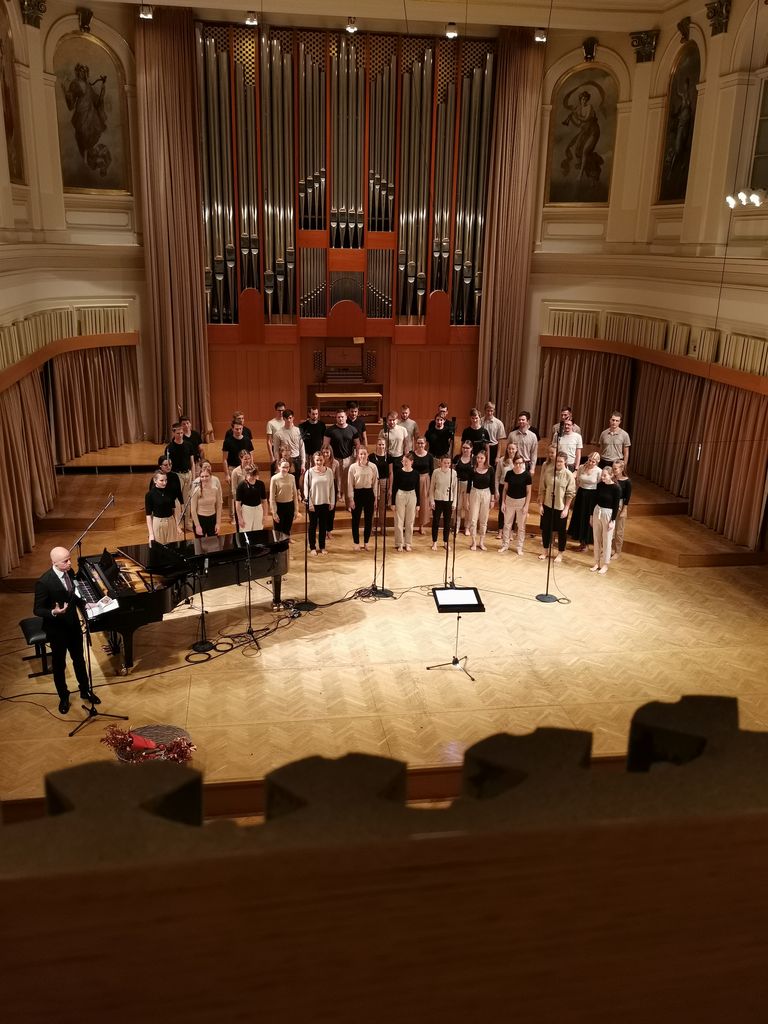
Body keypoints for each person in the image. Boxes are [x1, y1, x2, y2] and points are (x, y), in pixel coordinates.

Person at [33, 546, 98, 714]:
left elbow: (73, 595)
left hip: (73, 625)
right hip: (57, 630)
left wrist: (85, 604)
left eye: (69, 559)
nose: (70, 563)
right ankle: (63, 696)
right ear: (54, 563)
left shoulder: (70, 572)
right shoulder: (44, 582)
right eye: (65, 561)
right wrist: (53, 612)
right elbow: (37, 609)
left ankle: (85, 690)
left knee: (79, 660)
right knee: (59, 665)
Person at [538, 452, 576, 563]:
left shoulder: (569, 475)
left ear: (565, 462)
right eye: (557, 461)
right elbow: (542, 489)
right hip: (547, 505)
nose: (558, 463)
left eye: (560, 461)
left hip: (561, 507)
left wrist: (566, 508)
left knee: (561, 532)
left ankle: (560, 553)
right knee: (546, 529)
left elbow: (570, 494)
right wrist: (540, 505)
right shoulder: (548, 472)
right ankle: (545, 551)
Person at [567, 450, 601, 551]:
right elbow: (578, 481)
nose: (591, 463)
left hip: (591, 496)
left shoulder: (599, 471)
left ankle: (586, 543)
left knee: (587, 519)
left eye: (593, 462)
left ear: (597, 462)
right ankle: (581, 542)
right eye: (590, 460)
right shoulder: (581, 467)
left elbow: (599, 486)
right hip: (581, 494)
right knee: (579, 517)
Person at [590, 467, 621, 575]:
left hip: (608, 514)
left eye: (605, 475)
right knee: (596, 538)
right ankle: (596, 562)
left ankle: (605, 564)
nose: (602, 477)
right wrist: (591, 516)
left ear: (611, 475)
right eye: (602, 475)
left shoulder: (616, 488)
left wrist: (612, 520)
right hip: (597, 511)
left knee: (607, 540)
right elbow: (594, 500)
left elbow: (616, 506)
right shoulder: (600, 485)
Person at [303, 450, 335, 555]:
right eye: (317, 460)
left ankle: (322, 547)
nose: (319, 462)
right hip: (313, 504)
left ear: (324, 460)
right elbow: (306, 489)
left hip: (325, 503)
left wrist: (332, 502)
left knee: (323, 526)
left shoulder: (329, 471)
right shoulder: (309, 472)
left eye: (321, 460)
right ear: (314, 460)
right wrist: (310, 503)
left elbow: (332, 488)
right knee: (312, 526)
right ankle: (312, 547)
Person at [499, 454, 531, 555]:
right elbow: (505, 489)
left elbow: (528, 492)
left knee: (521, 527)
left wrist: (526, 505)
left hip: (521, 502)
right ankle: (505, 545)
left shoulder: (527, 475)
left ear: (523, 463)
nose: (518, 465)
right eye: (516, 463)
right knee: (507, 525)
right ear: (513, 463)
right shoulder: (509, 473)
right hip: (509, 501)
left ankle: (519, 547)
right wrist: (503, 502)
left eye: (520, 463)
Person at [325, 409, 359, 505]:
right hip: (334, 459)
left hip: (348, 458)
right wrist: (327, 460)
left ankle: (348, 503)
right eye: (338, 417)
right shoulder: (330, 430)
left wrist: (357, 459)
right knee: (334, 481)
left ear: (346, 417)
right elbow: (325, 446)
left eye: (342, 417)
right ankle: (332, 504)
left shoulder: (353, 429)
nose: (340, 419)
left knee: (348, 481)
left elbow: (357, 445)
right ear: (336, 418)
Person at [347, 446, 378, 551]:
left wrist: (375, 498)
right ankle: (356, 543)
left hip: (369, 493)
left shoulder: (373, 466)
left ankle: (366, 542)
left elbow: (375, 483)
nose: (363, 456)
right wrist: (351, 499)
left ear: (367, 454)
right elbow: (350, 484)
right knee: (355, 520)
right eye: (361, 454)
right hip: (357, 494)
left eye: (364, 453)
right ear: (358, 455)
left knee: (368, 520)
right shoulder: (353, 467)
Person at [166, 422, 196, 519]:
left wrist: (193, 478)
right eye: (178, 433)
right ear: (173, 433)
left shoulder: (188, 445)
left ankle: (187, 522)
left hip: (187, 474)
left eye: (182, 433)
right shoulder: (169, 447)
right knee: (177, 501)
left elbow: (192, 462)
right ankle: (178, 523)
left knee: (187, 500)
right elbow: (168, 465)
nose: (180, 435)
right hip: (176, 475)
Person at [467, 449, 495, 550]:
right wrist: (467, 500)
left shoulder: (490, 469)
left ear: (485, 458)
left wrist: (492, 500)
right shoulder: (472, 469)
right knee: (473, 519)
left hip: (486, 494)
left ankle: (481, 542)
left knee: (484, 520)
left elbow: (492, 485)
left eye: (481, 458)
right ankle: (474, 542)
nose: (479, 459)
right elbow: (468, 486)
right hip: (475, 493)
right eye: (478, 458)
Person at [145, 469, 182, 545]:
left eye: (166, 480)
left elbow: (174, 510)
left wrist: (177, 525)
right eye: (161, 480)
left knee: (173, 547)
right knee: (160, 548)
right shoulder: (150, 495)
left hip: (171, 522)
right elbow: (148, 515)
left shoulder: (170, 491)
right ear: (155, 480)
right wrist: (151, 534)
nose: (164, 482)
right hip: (158, 523)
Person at [429, 454, 457, 550]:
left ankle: (446, 542)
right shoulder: (436, 472)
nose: (447, 464)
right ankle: (434, 542)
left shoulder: (453, 473)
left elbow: (455, 489)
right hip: (437, 500)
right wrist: (432, 501)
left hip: (448, 500)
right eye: (445, 462)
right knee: (436, 522)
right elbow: (432, 488)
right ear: (440, 462)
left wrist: (454, 502)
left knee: (447, 523)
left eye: (448, 463)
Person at [391, 451, 418, 551]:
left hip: (412, 496)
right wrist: (393, 503)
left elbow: (417, 489)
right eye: (403, 461)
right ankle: (399, 543)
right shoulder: (398, 472)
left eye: (406, 461)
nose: (404, 463)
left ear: (411, 462)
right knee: (399, 520)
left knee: (410, 521)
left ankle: (408, 543)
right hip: (400, 495)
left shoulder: (416, 473)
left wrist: (418, 504)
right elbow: (394, 487)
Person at [270, 458, 301, 539]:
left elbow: (295, 495)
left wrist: (296, 510)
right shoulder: (274, 478)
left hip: (289, 505)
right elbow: (272, 498)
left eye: (287, 467)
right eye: (283, 467)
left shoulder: (292, 477)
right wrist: (274, 512)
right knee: (278, 530)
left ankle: (286, 543)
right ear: (279, 467)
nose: (285, 469)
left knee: (287, 529)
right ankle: (278, 545)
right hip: (279, 506)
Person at [273, 409, 306, 484]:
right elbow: (276, 450)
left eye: (290, 418)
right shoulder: (278, 433)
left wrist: (303, 464)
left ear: (293, 418)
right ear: (283, 419)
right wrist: (278, 463)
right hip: (285, 461)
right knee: (285, 483)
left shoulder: (298, 431)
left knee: (296, 483)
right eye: (286, 418)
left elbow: (302, 448)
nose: (288, 420)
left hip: (296, 459)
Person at [190, 463, 222, 537]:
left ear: (211, 477)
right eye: (202, 476)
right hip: (200, 519)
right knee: (199, 543)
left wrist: (218, 523)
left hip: (212, 519)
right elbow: (193, 510)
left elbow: (219, 507)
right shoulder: (196, 490)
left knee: (213, 542)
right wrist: (197, 526)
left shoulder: (215, 489)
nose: (204, 478)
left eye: (206, 476)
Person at [410, 436, 434, 534]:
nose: (420, 445)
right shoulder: (411, 455)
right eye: (418, 443)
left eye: (422, 443)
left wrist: (431, 485)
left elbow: (432, 471)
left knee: (423, 503)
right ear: (416, 444)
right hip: (413, 480)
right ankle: (411, 525)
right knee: (412, 503)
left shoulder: (429, 456)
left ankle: (421, 526)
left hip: (425, 481)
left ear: (425, 444)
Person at [494, 441, 518, 539]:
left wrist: (512, 463)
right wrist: (496, 490)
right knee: (502, 509)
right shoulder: (502, 460)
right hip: (502, 486)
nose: (511, 451)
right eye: (509, 448)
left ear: (516, 449)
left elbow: (520, 473)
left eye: (513, 449)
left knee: (513, 510)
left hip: (514, 488)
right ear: (507, 449)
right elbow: (497, 476)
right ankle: (500, 531)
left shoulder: (519, 461)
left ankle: (511, 532)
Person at [236, 466, 268, 532]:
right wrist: (240, 518)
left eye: (255, 475)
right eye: (251, 475)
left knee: (258, 531)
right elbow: (238, 503)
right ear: (246, 474)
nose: (253, 477)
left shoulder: (261, 484)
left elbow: (264, 501)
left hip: (258, 509)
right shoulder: (241, 485)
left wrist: (265, 515)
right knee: (245, 531)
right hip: (246, 510)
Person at [452, 440, 474, 535]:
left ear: (471, 449)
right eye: (463, 447)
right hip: (458, 483)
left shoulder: (474, 459)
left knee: (467, 507)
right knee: (458, 506)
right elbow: (453, 470)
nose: (465, 450)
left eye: (467, 448)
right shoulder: (457, 458)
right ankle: (456, 526)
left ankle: (467, 527)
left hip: (469, 485)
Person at [612, 460, 632, 558]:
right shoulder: (611, 479)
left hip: (620, 505)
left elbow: (627, 498)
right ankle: (608, 549)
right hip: (610, 505)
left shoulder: (627, 481)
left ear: (621, 469)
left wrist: (624, 510)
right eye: (613, 468)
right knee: (609, 529)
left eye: (615, 469)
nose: (613, 470)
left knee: (618, 531)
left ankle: (617, 551)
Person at [229, 447, 254, 524]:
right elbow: (233, 489)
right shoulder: (235, 471)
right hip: (240, 501)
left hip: (251, 500)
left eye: (249, 458)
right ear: (240, 458)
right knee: (241, 523)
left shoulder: (253, 470)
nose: (248, 461)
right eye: (245, 459)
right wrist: (238, 502)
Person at [370, 436, 393, 509]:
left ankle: (381, 517)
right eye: (379, 444)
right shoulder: (371, 457)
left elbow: (391, 472)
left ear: (385, 446)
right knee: (372, 504)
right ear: (376, 445)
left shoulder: (388, 457)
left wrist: (390, 488)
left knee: (382, 505)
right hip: (373, 482)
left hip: (384, 482)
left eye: (383, 444)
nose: (381, 446)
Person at [321, 446, 340, 537]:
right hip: (322, 486)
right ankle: (323, 530)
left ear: (331, 452)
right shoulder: (319, 461)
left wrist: (339, 491)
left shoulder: (335, 462)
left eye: (327, 452)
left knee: (331, 509)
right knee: (323, 509)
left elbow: (338, 477)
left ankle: (329, 530)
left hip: (332, 486)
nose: (325, 454)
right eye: (324, 452)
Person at [481, 402, 506, 467]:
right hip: (482, 448)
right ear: (485, 410)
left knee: (492, 469)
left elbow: (500, 441)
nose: (489, 413)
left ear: (494, 411)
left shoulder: (499, 423)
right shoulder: (480, 421)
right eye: (488, 411)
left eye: (491, 411)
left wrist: (498, 456)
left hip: (493, 448)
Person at [266, 401, 287, 471]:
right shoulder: (271, 423)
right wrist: (271, 456)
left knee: (286, 469)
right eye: (279, 410)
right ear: (276, 410)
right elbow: (269, 441)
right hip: (275, 448)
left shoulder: (287, 422)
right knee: (275, 470)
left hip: (285, 449)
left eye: (283, 410)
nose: (281, 412)